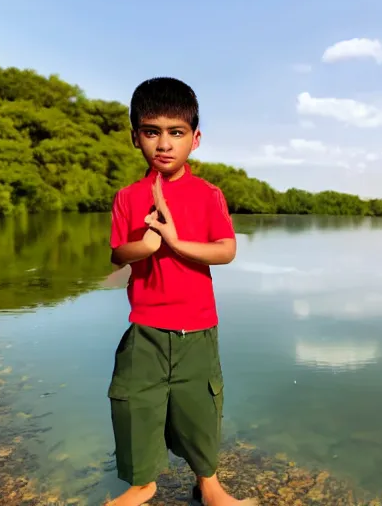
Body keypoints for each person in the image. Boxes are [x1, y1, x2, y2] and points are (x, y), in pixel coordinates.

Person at [106, 77, 257, 506]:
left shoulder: (208, 195)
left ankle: (209, 485)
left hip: (197, 326)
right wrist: (148, 244)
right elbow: (118, 253)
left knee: (200, 406)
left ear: (196, 139)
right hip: (146, 326)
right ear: (135, 136)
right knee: (135, 402)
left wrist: (174, 242)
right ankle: (142, 483)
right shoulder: (128, 197)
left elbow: (226, 250)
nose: (164, 144)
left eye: (176, 133)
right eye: (152, 132)